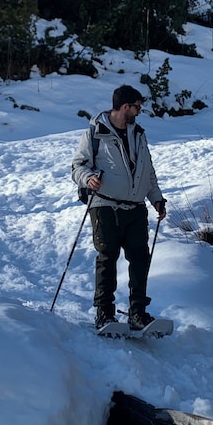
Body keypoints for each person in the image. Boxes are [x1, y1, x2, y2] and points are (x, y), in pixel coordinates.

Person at [71, 84, 167, 332]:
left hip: (135, 207)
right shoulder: (95, 133)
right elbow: (77, 167)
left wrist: (156, 198)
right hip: (105, 205)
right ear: (126, 106)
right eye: (137, 107)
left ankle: (138, 313)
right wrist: (88, 178)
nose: (139, 111)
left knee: (139, 259)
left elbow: (148, 172)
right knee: (107, 258)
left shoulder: (139, 134)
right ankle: (104, 313)